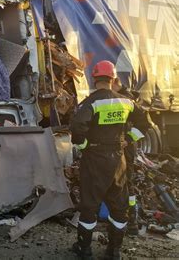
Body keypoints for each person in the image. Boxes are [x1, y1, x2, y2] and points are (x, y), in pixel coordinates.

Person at [70, 60, 152, 259]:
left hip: (95, 159)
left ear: (94, 78)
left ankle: (84, 249)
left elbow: (77, 129)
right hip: (118, 159)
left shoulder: (91, 102)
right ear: (113, 78)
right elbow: (145, 123)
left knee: (90, 204)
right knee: (119, 206)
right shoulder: (126, 102)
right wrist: (129, 139)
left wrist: (84, 146)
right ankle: (114, 251)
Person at [112, 77, 145, 235]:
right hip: (122, 147)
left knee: (127, 182)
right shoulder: (121, 98)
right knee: (123, 182)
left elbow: (145, 124)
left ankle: (131, 220)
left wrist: (129, 139)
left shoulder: (126, 101)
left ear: (116, 83)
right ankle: (127, 220)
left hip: (126, 149)